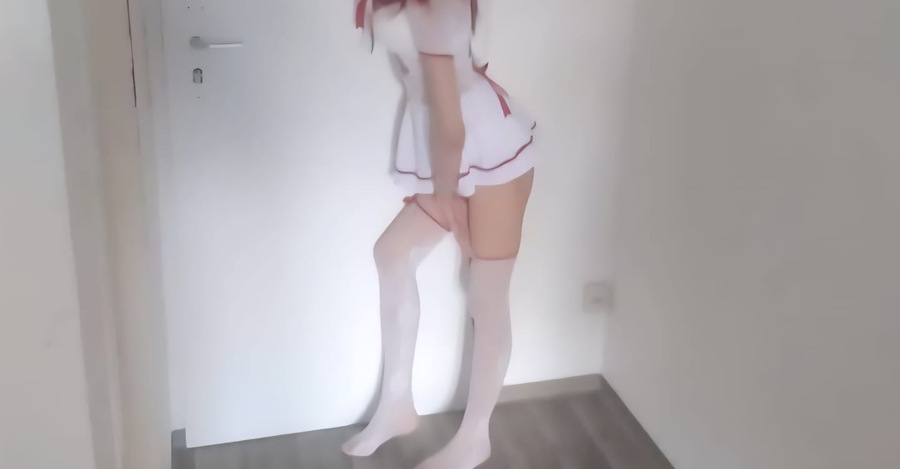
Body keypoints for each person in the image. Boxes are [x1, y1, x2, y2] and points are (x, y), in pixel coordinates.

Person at [341, 1, 536, 467]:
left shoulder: (435, 8)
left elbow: (451, 122)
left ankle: (475, 438)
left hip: (487, 148)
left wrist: (448, 197)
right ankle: (397, 405)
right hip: (450, 144)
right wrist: (446, 191)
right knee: (392, 254)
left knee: (486, 294)